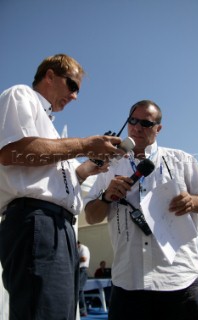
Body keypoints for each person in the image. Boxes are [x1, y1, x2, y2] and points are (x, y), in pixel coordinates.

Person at [0, 53, 124, 320]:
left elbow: (64, 180)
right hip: (36, 221)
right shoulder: (21, 95)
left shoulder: (52, 130)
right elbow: (13, 151)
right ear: (50, 75)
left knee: (60, 312)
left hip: (58, 226)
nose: (76, 96)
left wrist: (94, 163)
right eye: (73, 86)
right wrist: (83, 145)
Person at [84, 100, 198, 320]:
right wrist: (106, 197)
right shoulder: (109, 166)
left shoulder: (182, 159)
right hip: (128, 284)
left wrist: (192, 201)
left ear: (158, 128)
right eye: (133, 120)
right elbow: (91, 216)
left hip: (179, 281)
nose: (137, 127)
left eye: (146, 122)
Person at [77, 241, 90, 317]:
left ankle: (82, 310)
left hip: (82, 269)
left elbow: (84, 258)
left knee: (79, 289)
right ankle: (81, 310)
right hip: (79, 270)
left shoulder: (83, 248)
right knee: (78, 289)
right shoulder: (80, 248)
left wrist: (74, 259)